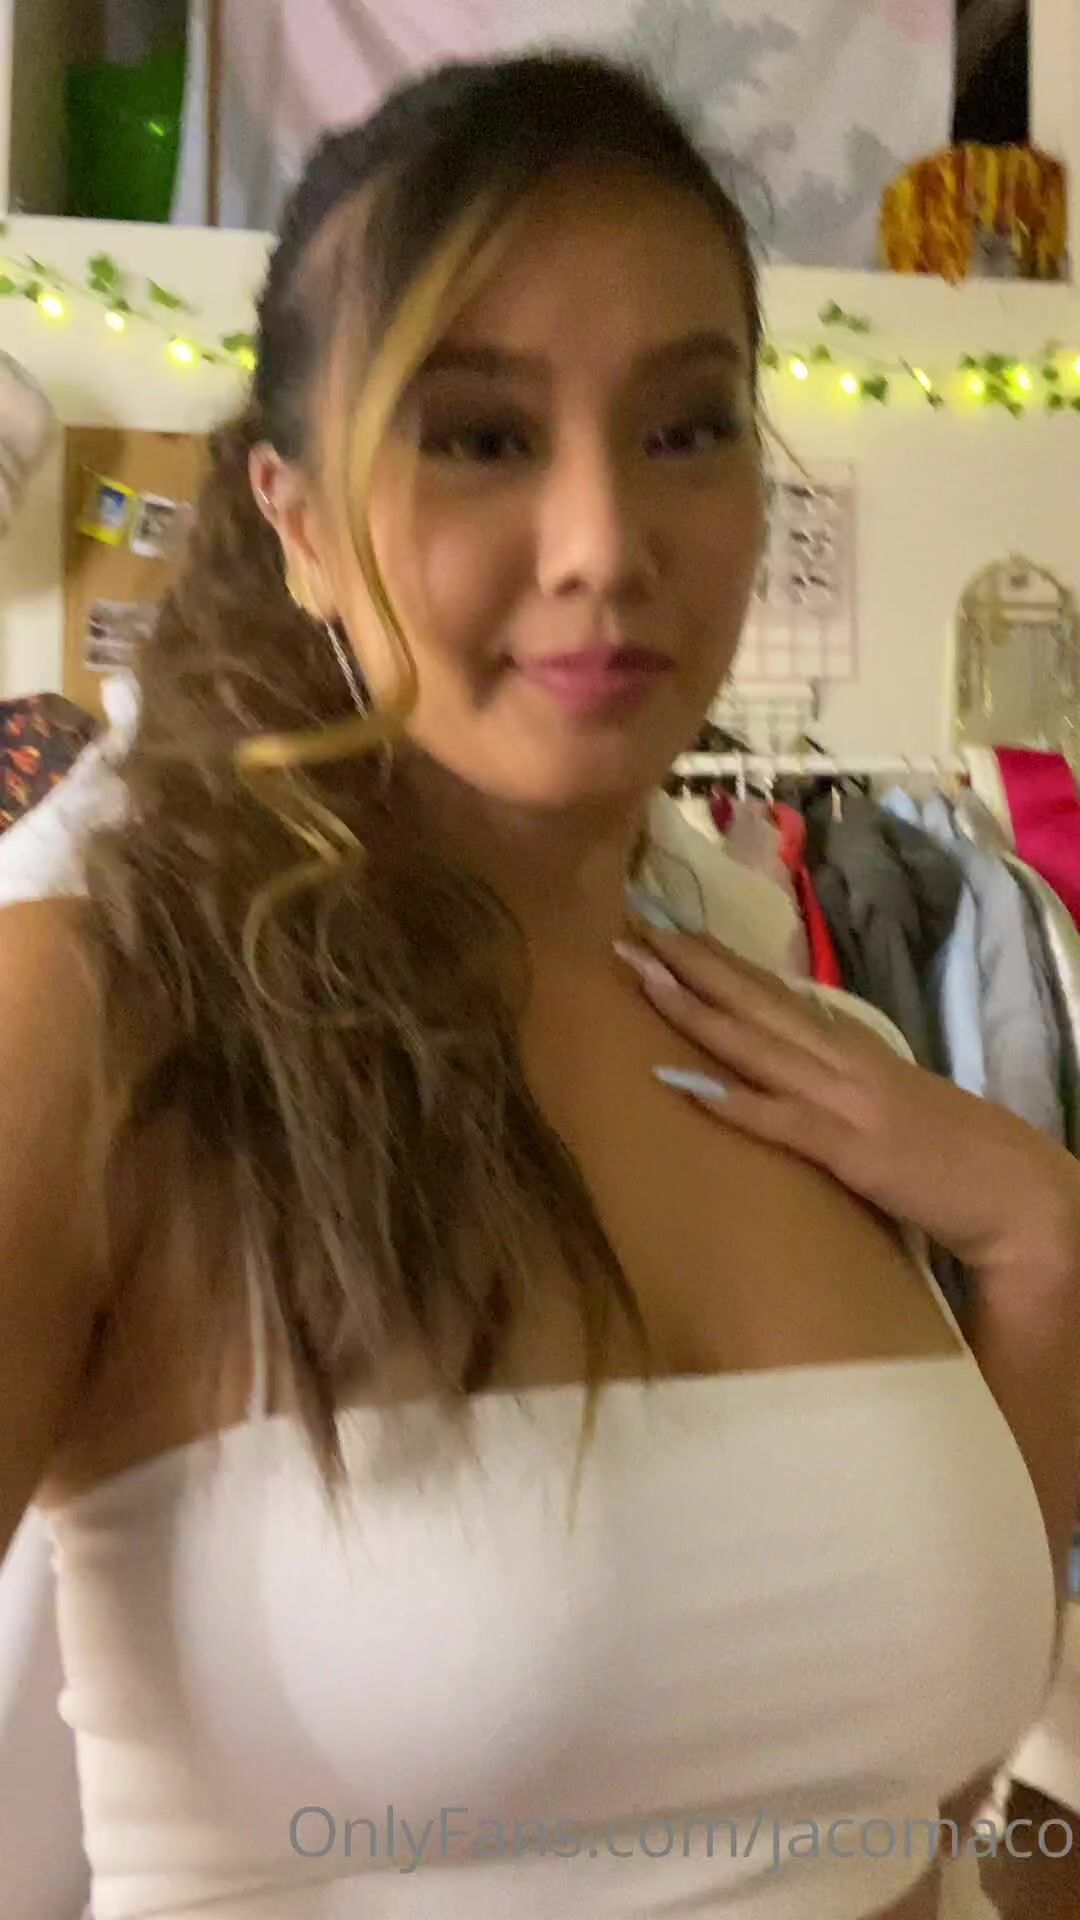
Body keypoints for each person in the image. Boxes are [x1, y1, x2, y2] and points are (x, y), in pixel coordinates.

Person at [1, 52, 1077, 1920]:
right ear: (296, 519)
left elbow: (896, 1808)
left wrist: (1049, 1243)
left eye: (688, 427)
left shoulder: (825, 1060)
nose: (605, 547)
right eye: (481, 437)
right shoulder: (105, 1024)